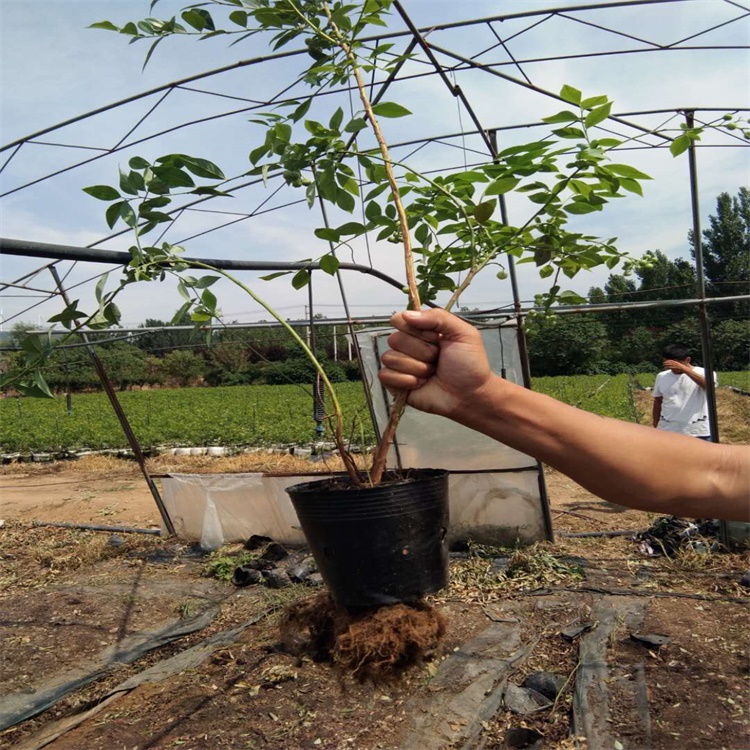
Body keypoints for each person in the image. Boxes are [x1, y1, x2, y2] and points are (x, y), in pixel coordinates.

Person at [377, 309, 749, 522]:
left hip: (699, 429)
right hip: (673, 433)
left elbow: (716, 467)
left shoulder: (701, 373)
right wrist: (478, 398)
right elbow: (713, 475)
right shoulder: (660, 378)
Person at [652, 343, 715, 439]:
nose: (673, 367)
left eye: (676, 363)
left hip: (697, 430)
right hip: (668, 429)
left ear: (688, 360)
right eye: (668, 363)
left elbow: (708, 386)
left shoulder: (704, 373)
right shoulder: (662, 376)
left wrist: (684, 369)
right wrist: (655, 422)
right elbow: (658, 401)